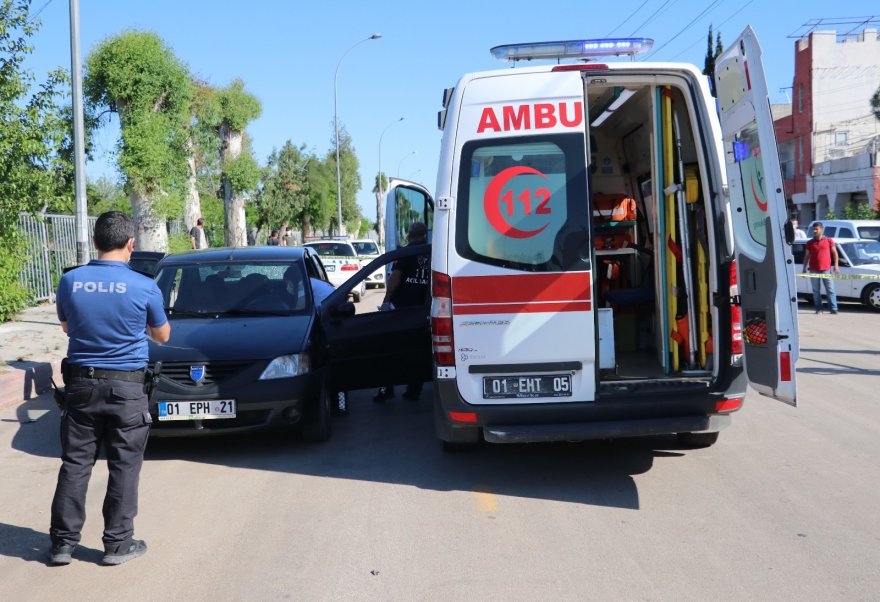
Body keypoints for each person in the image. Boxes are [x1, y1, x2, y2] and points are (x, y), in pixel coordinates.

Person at [49, 211, 171, 566]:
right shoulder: (145, 285)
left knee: (75, 464)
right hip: (127, 389)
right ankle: (117, 545)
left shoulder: (71, 281)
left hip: (82, 384)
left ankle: (62, 545)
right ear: (131, 244)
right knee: (124, 465)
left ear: (97, 240)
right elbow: (163, 335)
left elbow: (66, 327)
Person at [374, 222, 431, 402]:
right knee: (418, 353)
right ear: (425, 235)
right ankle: (414, 391)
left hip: (401, 311)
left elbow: (396, 277)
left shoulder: (406, 253)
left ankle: (386, 390)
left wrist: (386, 301)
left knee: (390, 352)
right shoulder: (433, 252)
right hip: (423, 312)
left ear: (409, 235)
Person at [802, 221, 839, 314]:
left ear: (821, 230)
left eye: (816, 229)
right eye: (813, 229)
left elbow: (835, 253)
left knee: (830, 290)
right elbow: (807, 256)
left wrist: (836, 266)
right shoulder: (810, 242)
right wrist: (804, 268)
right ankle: (819, 309)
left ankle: (833, 309)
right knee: (816, 291)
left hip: (826, 269)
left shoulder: (829, 241)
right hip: (813, 270)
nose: (814, 231)